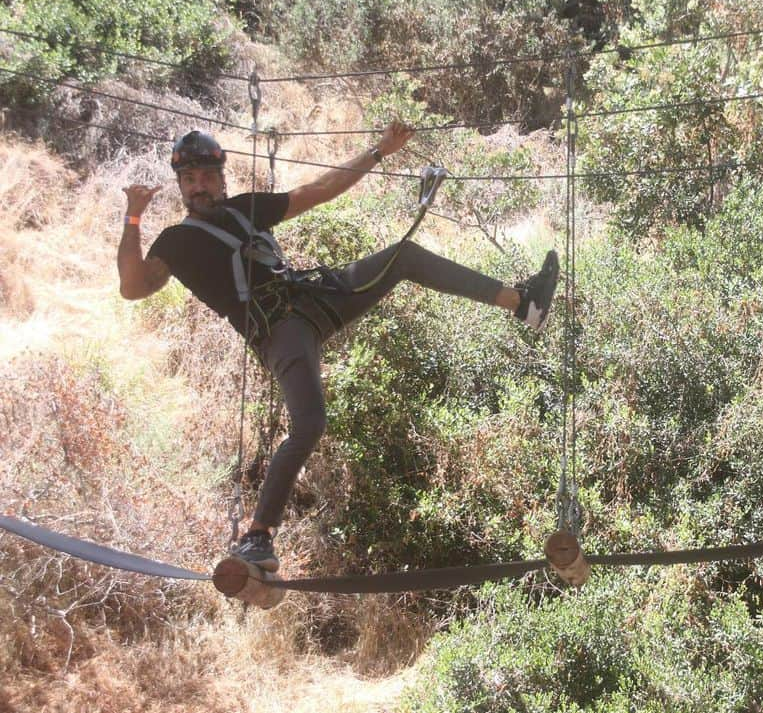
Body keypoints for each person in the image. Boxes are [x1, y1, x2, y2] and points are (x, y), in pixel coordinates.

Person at [117, 124, 559, 572]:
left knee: (404, 257)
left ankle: (523, 304)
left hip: (313, 298)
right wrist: (134, 216)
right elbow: (132, 288)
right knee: (309, 422)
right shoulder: (176, 241)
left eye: (207, 177)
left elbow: (320, 189)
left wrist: (380, 151)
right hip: (279, 332)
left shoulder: (243, 210)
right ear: (180, 187)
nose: (200, 187)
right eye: (190, 181)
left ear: (220, 177)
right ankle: (257, 538)